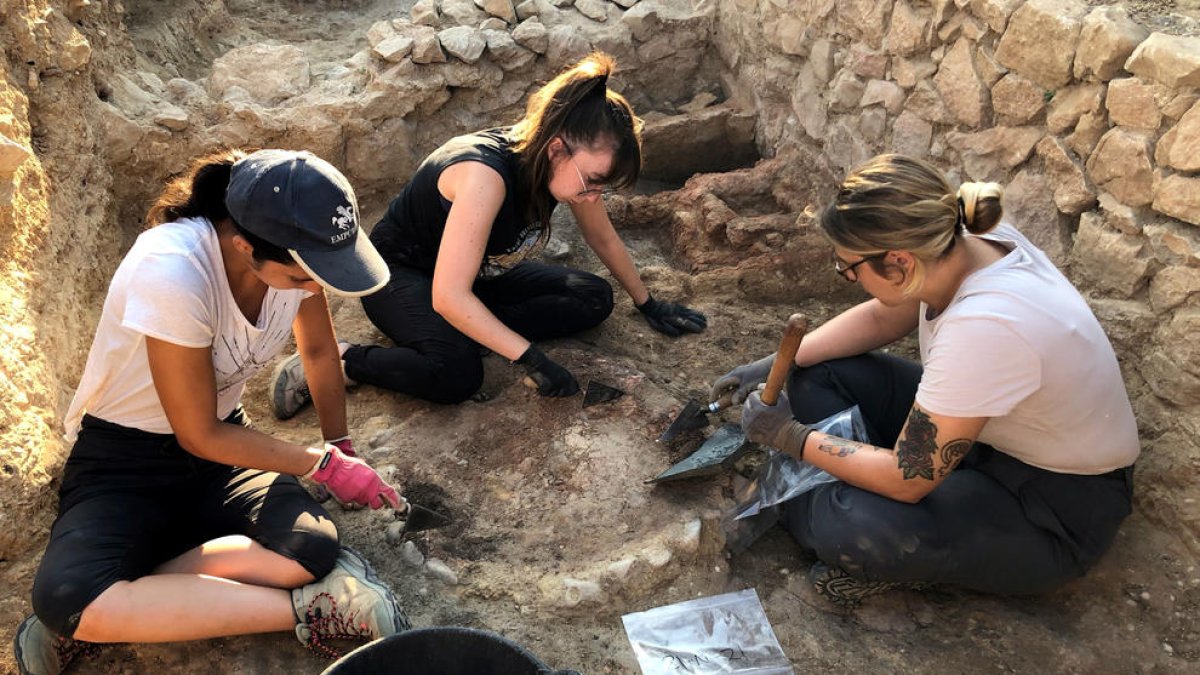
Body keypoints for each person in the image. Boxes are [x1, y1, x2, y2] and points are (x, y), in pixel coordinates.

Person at [15, 149, 411, 675]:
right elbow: (195, 431)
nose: (315, 289)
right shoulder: (172, 271)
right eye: (303, 279)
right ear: (244, 246)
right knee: (69, 599)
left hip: (226, 446)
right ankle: (316, 612)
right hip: (125, 460)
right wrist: (320, 465)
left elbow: (316, 352)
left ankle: (140, 596)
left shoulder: (294, 256)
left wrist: (340, 445)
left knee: (309, 551)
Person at [715, 154, 1139, 606]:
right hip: (991, 435)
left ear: (898, 263)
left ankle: (843, 519)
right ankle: (836, 478)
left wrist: (790, 437)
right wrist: (780, 362)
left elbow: (906, 477)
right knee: (819, 373)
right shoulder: (957, 235)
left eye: (849, 267)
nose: (848, 277)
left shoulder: (985, 327)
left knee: (851, 526)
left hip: (1051, 508)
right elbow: (885, 315)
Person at [269, 52, 706, 416]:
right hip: (401, 275)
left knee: (592, 297)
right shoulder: (484, 176)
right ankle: (344, 362)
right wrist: (529, 356)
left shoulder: (553, 165)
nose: (593, 196)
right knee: (456, 374)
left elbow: (603, 238)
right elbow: (447, 297)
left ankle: (467, 332)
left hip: (469, 274)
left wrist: (647, 303)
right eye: (592, 181)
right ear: (557, 149)